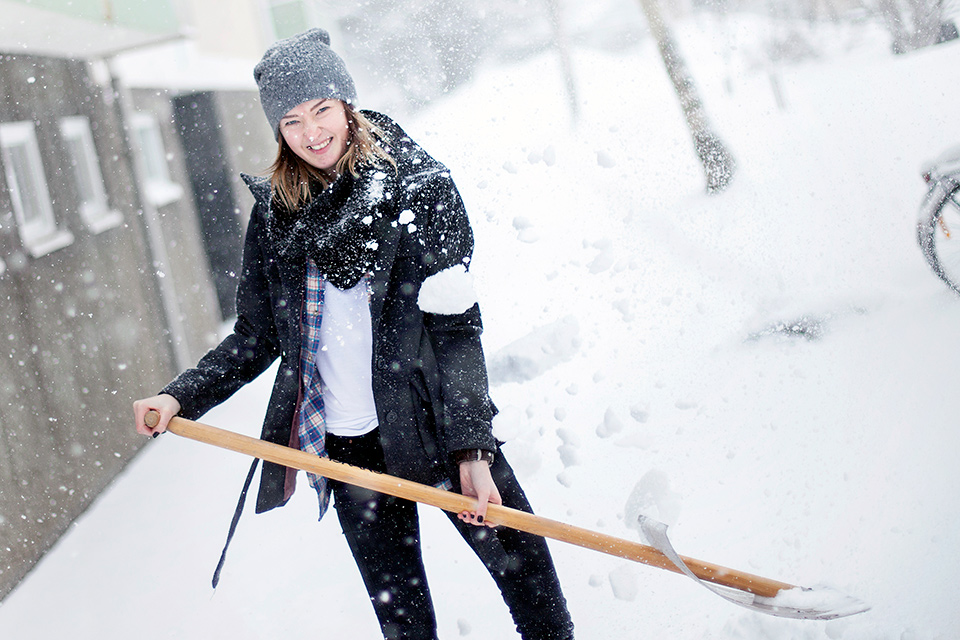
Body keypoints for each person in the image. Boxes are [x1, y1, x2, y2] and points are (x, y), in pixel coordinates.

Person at [132, 28, 574, 640]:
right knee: (404, 623)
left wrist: (473, 451)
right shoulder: (277, 215)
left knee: (534, 594)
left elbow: (456, 329)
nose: (311, 132)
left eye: (321, 110)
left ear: (346, 104)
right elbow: (257, 336)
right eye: (291, 121)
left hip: (435, 427)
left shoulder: (418, 189)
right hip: (348, 450)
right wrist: (180, 395)